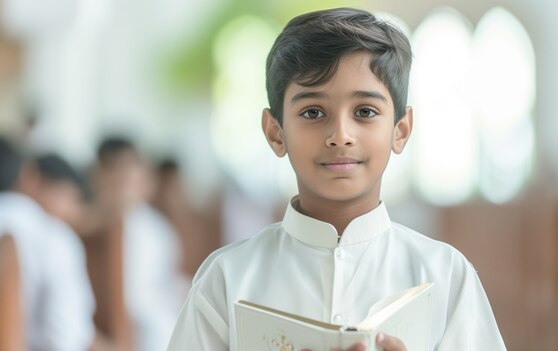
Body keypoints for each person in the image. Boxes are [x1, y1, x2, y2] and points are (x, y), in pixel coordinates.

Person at [167, 7, 506, 351]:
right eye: (313, 112)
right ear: (276, 132)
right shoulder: (227, 279)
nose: (340, 135)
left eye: (365, 112)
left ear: (400, 131)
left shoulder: (445, 275)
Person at [92, 136, 188, 351]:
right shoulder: (88, 227)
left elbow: (167, 282)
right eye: (114, 172)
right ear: (98, 175)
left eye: (128, 172)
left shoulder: (157, 230)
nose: (122, 181)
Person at [0, 136, 96, 351]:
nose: (76, 212)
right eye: (71, 199)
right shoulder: (55, 237)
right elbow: (65, 338)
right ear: (30, 177)